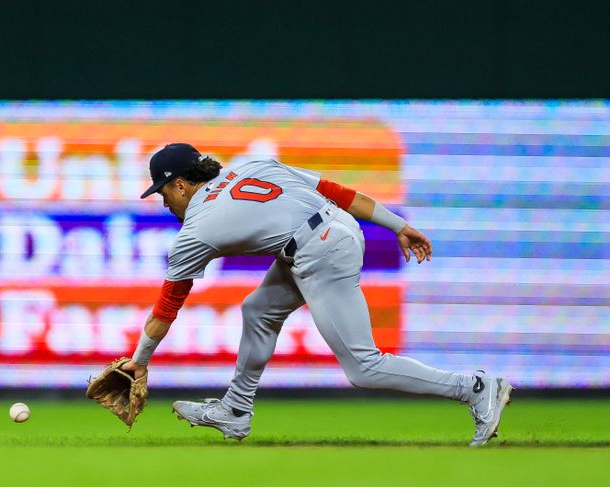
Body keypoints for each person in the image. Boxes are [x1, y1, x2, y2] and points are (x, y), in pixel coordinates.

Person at [120, 143, 512, 447]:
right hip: (334, 229)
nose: (165, 201)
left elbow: (167, 306)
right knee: (258, 310)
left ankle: (475, 387)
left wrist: (139, 361)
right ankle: (235, 410)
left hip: (319, 252)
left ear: (181, 184)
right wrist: (397, 225)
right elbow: (334, 190)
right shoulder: (254, 167)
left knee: (363, 367)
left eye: (163, 192)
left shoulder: (195, 230)